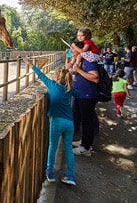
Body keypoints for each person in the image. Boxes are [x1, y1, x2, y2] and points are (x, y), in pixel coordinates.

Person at [24, 57, 78, 186]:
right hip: (69, 122)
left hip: (57, 121)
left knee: (52, 146)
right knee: (68, 149)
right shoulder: (69, 88)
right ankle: (70, 176)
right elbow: (78, 94)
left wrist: (31, 64)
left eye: (54, 75)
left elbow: (41, 75)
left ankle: (50, 172)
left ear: (56, 78)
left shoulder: (51, 85)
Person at [69, 41, 99, 156]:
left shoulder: (88, 61)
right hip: (80, 95)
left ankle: (86, 148)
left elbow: (95, 78)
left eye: (73, 49)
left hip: (87, 96)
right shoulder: (80, 60)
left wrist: (79, 70)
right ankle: (84, 142)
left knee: (87, 122)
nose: (71, 51)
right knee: (83, 120)